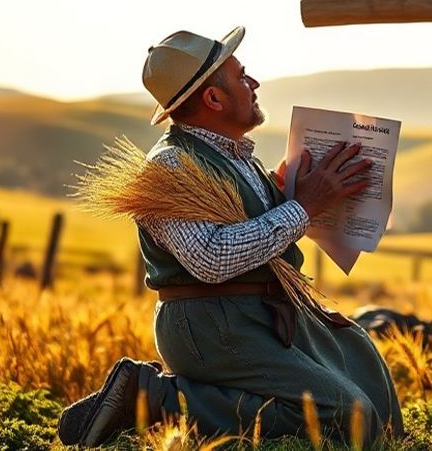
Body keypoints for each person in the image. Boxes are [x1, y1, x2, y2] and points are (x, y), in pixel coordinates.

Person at [57, 27, 402, 447]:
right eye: (242, 76)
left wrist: (299, 192)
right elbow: (213, 259)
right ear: (214, 99)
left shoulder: (239, 158)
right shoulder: (170, 169)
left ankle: (182, 399)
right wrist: (303, 207)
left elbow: (253, 229)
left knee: (372, 385)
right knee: (349, 416)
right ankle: (155, 398)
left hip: (259, 314)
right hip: (214, 324)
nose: (254, 84)